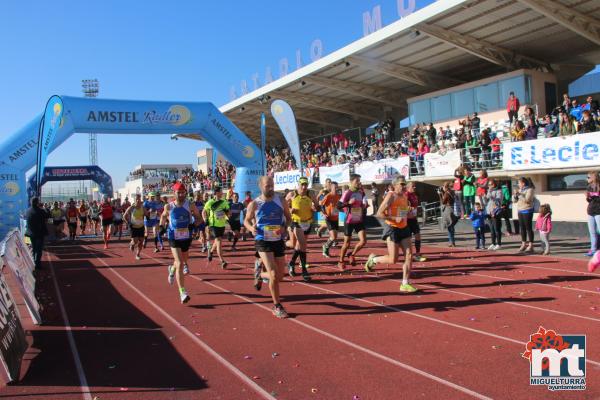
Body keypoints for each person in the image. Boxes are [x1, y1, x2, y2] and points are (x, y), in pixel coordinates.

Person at [244, 176, 292, 318]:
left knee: (280, 276)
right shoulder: (254, 204)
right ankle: (277, 306)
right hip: (262, 239)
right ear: (260, 186)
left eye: (272, 185)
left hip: (277, 239)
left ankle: (259, 274)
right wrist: (251, 228)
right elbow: (246, 221)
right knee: (273, 273)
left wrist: (284, 227)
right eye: (267, 186)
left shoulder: (281, 201)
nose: (270, 188)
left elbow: (288, 219)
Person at [365, 176, 416, 293]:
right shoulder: (391, 196)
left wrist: (408, 212)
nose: (404, 186)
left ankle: (405, 283)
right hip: (392, 228)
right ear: (395, 185)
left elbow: (402, 213)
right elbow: (379, 213)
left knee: (409, 255)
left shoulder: (404, 196)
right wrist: (393, 217)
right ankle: (374, 260)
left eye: (404, 184)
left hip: (404, 228)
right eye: (401, 184)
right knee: (393, 259)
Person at [161, 182, 202, 304]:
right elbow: (163, 216)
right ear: (174, 193)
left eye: (183, 192)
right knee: (179, 262)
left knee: (183, 260)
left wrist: (193, 225)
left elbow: (199, 218)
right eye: (178, 193)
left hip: (186, 236)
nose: (181, 195)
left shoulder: (190, 205)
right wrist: (161, 226)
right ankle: (182, 292)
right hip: (173, 236)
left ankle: (172, 270)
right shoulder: (169, 206)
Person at [285, 176, 317, 282]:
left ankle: (291, 262)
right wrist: (290, 209)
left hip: (307, 222)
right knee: (303, 245)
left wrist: (315, 208)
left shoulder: (311, 194)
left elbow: (317, 206)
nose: (304, 187)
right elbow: (283, 206)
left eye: (305, 185)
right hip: (296, 222)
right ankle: (304, 271)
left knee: (299, 246)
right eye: (302, 184)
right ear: (298, 184)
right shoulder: (292, 194)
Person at [337, 174, 368, 270]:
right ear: (351, 182)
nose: (359, 183)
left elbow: (362, 204)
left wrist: (364, 206)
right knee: (347, 244)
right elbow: (338, 206)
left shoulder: (361, 192)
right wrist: (348, 203)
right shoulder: (347, 192)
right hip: (349, 220)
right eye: (357, 181)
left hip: (358, 220)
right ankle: (341, 261)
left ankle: (352, 254)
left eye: (359, 180)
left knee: (363, 241)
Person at [204, 186, 230, 268]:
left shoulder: (224, 202)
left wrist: (227, 213)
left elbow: (229, 212)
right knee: (219, 241)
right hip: (213, 225)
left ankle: (211, 252)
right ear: (216, 193)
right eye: (221, 191)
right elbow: (204, 211)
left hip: (222, 224)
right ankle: (222, 260)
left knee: (217, 240)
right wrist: (205, 220)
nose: (222, 193)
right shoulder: (210, 202)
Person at [24, 197, 49, 270]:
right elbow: (48, 216)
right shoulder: (40, 211)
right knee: (38, 250)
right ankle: (37, 264)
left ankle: (33, 263)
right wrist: (46, 208)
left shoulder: (27, 211)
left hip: (31, 233)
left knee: (34, 248)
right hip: (39, 233)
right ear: (37, 202)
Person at [406, 181, 426, 262]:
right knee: (408, 239)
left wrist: (416, 212)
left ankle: (417, 254)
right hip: (407, 220)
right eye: (413, 186)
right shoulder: (406, 195)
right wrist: (407, 213)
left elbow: (415, 206)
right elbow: (403, 207)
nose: (414, 188)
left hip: (414, 219)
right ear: (408, 188)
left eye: (415, 186)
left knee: (418, 235)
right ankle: (409, 255)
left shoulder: (414, 195)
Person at [514, 177, 535, 253]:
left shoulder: (530, 190)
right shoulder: (519, 190)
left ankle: (531, 245)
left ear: (523, 183)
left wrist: (519, 194)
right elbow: (514, 201)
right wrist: (515, 195)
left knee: (528, 228)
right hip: (520, 210)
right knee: (522, 228)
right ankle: (523, 243)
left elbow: (527, 200)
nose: (518, 184)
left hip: (527, 210)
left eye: (519, 183)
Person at [124, 194, 147, 260]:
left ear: (140, 200)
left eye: (139, 199)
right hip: (133, 227)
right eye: (136, 199)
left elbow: (147, 214)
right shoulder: (131, 208)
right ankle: (132, 244)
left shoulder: (143, 208)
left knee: (141, 241)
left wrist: (148, 213)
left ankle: (138, 254)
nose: (138, 200)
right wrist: (128, 223)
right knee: (135, 241)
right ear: (134, 200)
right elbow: (124, 216)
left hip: (141, 226)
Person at [320, 181, 340, 258]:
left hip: (336, 218)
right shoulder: (328, 196)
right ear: (331, 188)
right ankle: (325, 248)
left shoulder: (338, 196)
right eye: (335, 187)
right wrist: (324, 213)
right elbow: (321, 205)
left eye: (337, 187)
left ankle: (325, 246)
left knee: (334, 237)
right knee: (333, 237)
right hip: (329, 218)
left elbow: (340, 205)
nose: (336, 189)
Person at [485, 179, 503, 250]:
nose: (489, 186)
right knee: (492, 229)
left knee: (497, 229)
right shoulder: (489, 191)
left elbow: (498, 201)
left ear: (494, 184)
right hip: (489, 211)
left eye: (491, 184)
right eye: (489, 185)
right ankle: (493, 243)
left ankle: (499, 244)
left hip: (495, 212)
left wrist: (492, 197)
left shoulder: (499, 191)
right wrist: (485, 196)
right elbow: (487, 199)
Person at [439, 182, 458, 247]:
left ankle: (451, 242)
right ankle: (452, 242)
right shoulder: (452, 192)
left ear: (445, 187)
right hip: (452, 209)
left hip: (447, 209)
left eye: (443, 187)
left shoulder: (446, 193)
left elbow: (443, 202)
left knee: (449, 226)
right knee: (451, 226)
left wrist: (440, 194)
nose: (443, 188)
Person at [586, 171, 600, 257]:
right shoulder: (589, 187)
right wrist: (588, 197)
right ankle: (593, 250)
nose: (587, 179)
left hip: (599, 211)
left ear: (593, 177)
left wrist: (595, 195)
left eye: (588, 177)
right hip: (591, 211)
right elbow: (590, 200)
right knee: (592, 232)